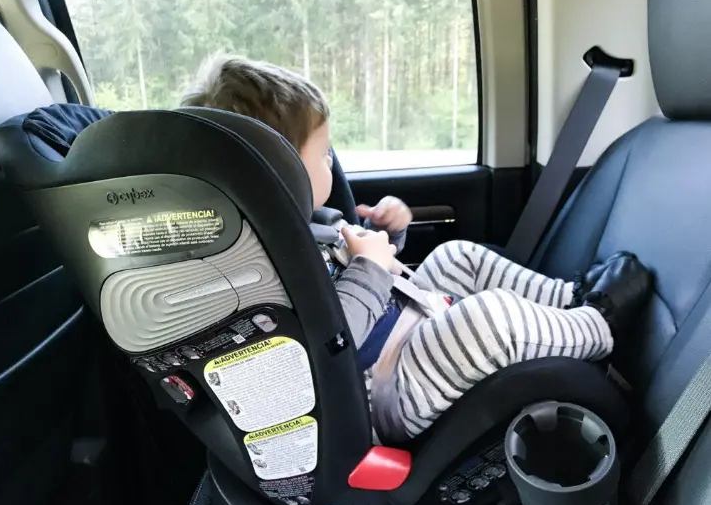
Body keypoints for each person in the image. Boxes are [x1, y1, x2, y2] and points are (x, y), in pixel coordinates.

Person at [181, 53, 653, 442]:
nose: (332, 161)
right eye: (322, 153)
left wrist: (389, 239)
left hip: (394, 337)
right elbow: (326, 345)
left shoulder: (298, 225)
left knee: (455, 255)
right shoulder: (248, 274)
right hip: (375, 397)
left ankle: (566, 299)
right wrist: (369, 268)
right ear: (275, 173)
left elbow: (356, 274)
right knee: (484, 322)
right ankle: (599, 324)